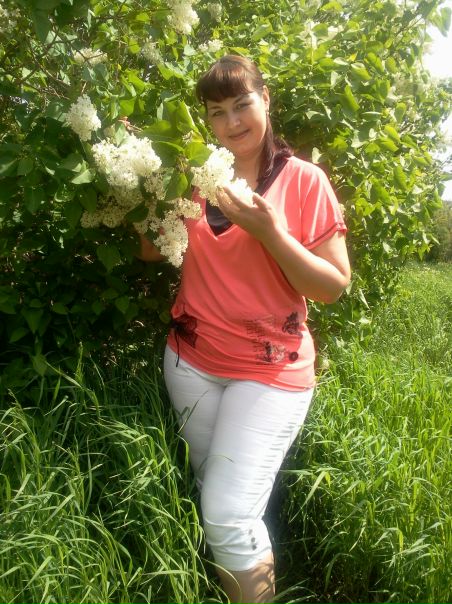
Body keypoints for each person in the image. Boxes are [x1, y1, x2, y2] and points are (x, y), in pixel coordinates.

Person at [138, 55, 351, 604]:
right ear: (206, 121)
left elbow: (332, 286)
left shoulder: (304, 181)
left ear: (265, 99)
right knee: (217, 494)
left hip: (270, 370)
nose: (232, 122)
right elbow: (151, 250)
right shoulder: (195, 175)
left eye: (242, 104)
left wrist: (271, 234)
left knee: (228, 514)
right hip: (191, 362)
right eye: (217, 112)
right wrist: (150, 177)